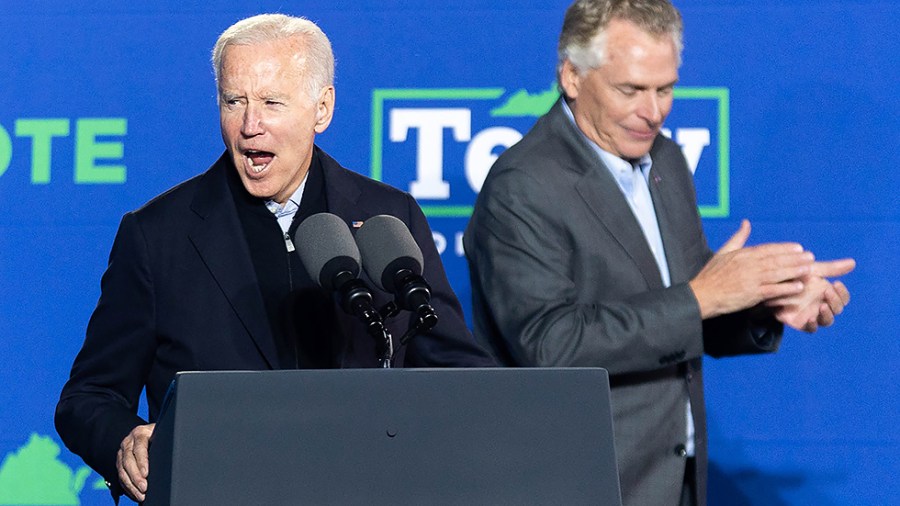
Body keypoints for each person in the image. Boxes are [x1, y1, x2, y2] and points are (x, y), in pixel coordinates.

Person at [56, 14, 494, 503]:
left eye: (271, 103)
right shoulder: (158, 236)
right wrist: (123, 442)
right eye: (233, 101)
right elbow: (88, 397)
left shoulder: (389, 218)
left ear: (321, 108)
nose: (250, 126)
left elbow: (460, 377)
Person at [464, 1, 854, 505]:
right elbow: (551, 345)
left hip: (674, 478)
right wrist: (705, 295)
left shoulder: (665, 158)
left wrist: (767, 301)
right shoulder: (523, 186)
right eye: (631, 89)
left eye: (665, 89)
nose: (653, 111)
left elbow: (685, 314)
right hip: (579, 482)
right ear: (572, 77)